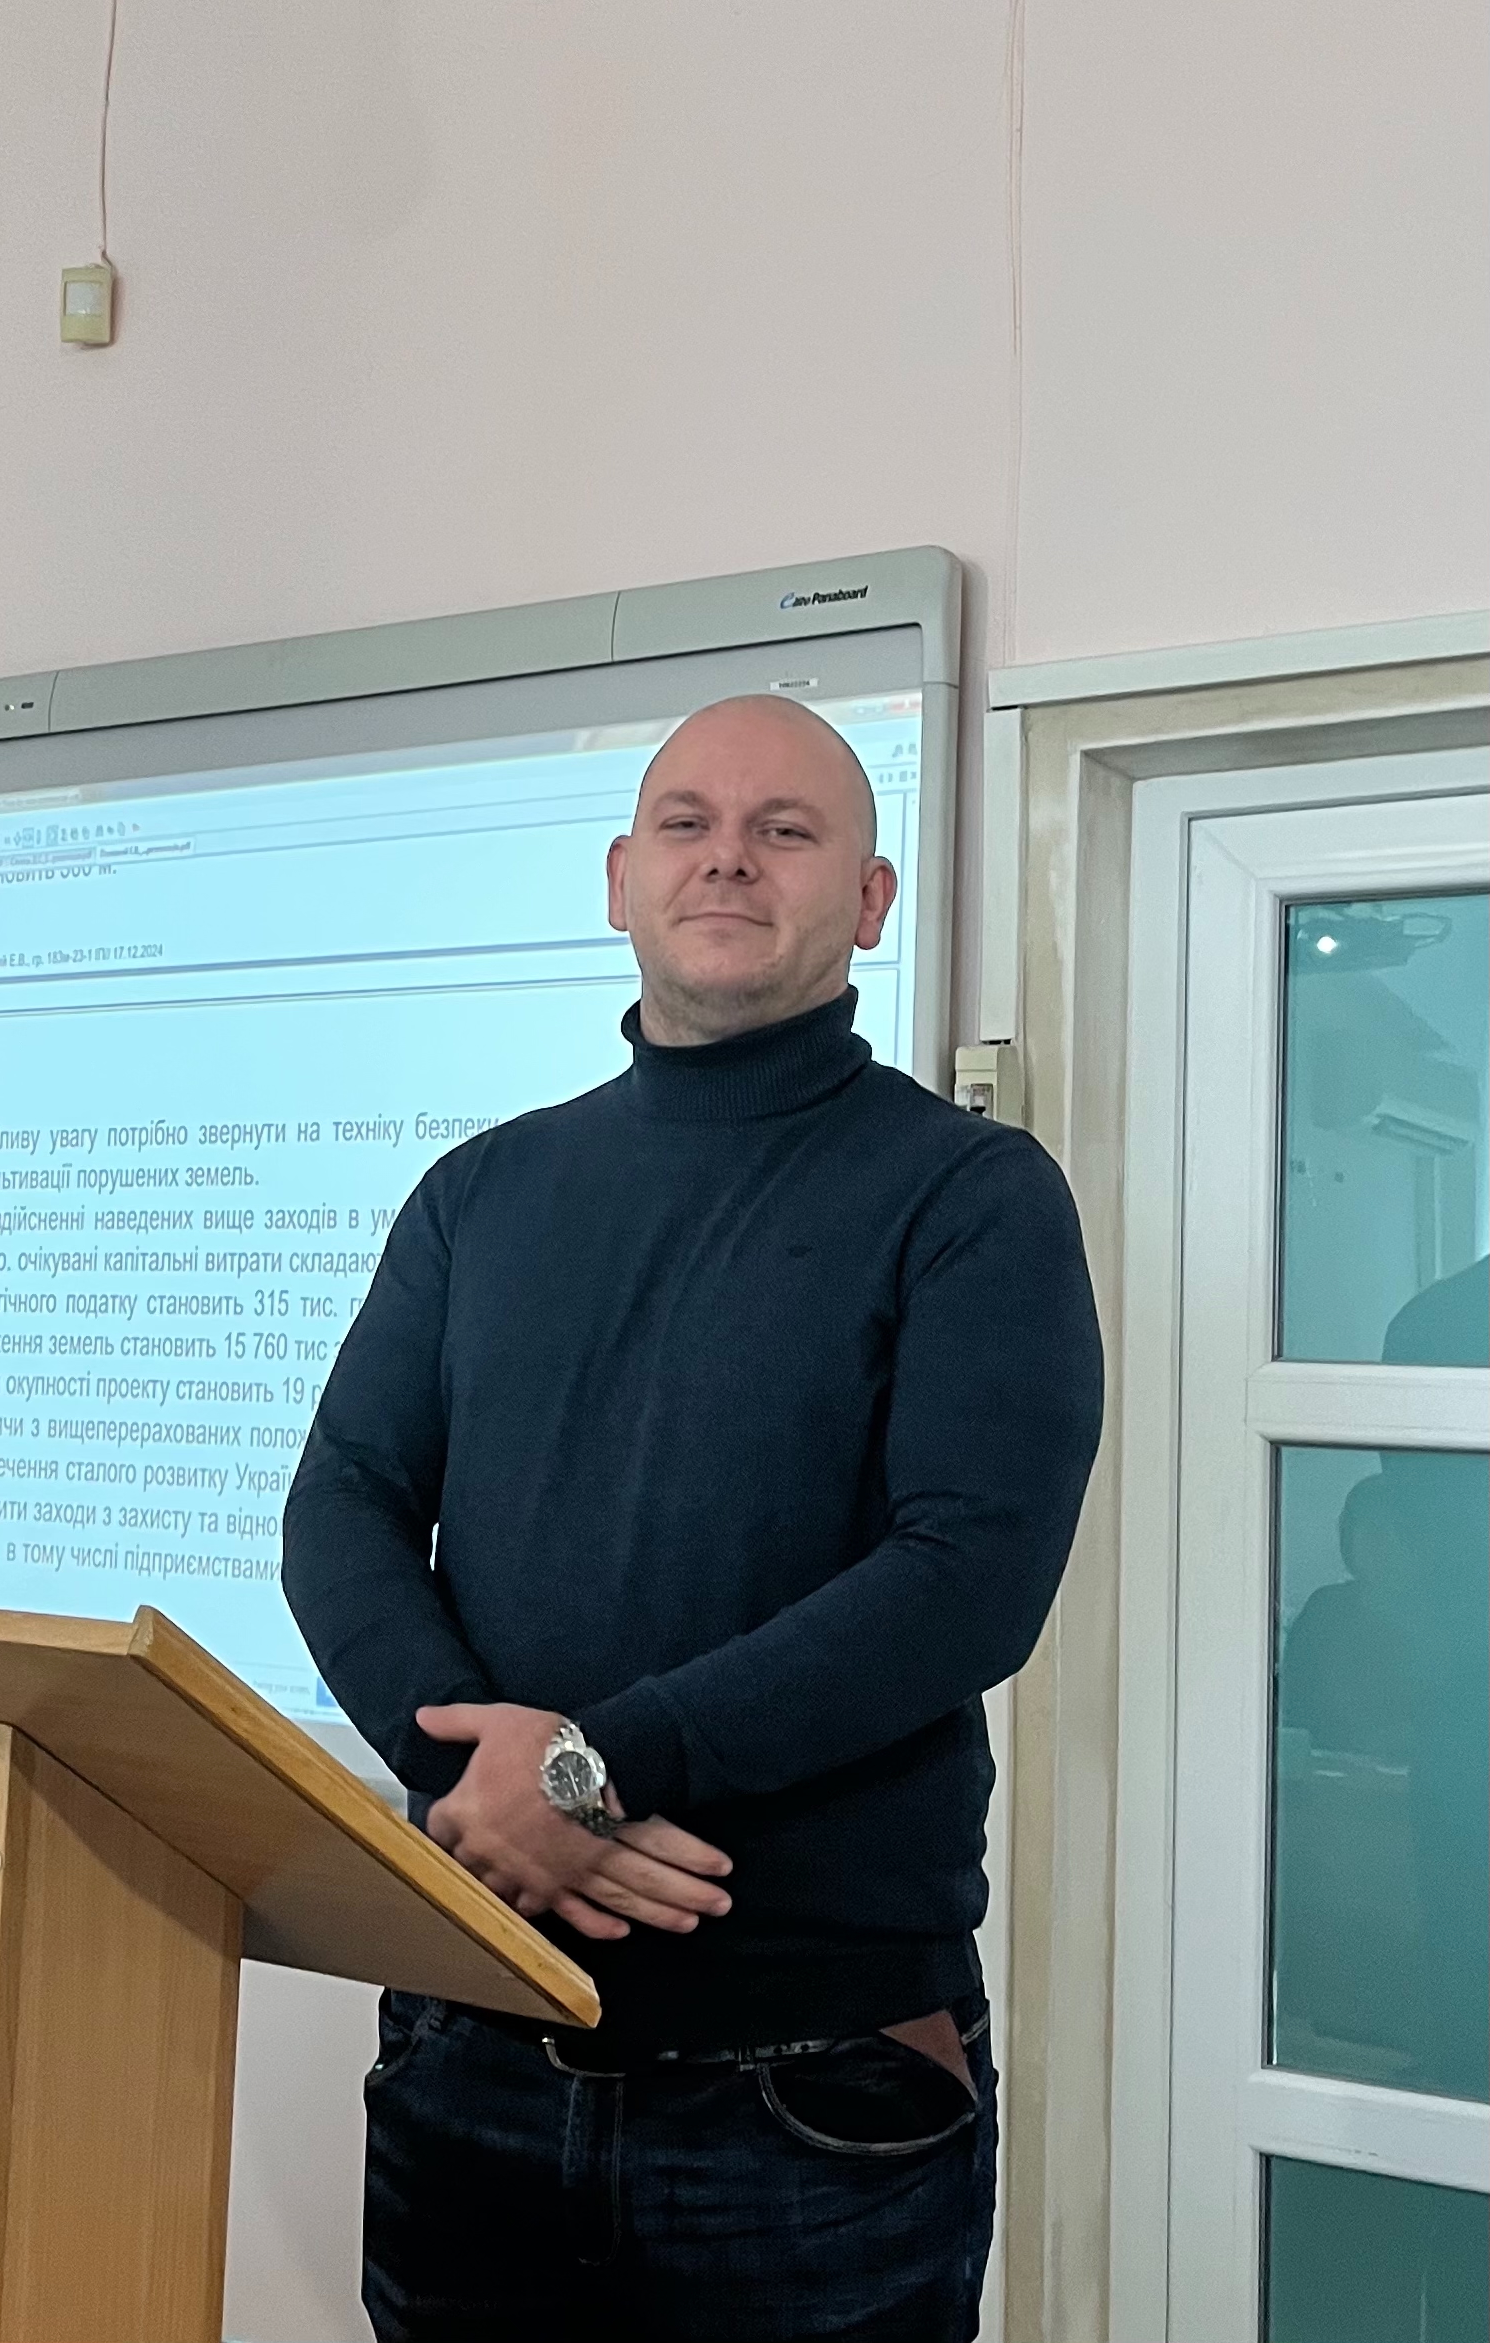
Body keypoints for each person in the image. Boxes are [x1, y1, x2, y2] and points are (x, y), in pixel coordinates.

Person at [283, 693, 1103, 2342]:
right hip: (472, 2047)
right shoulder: (480, 1191)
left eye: (785, 829)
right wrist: (473, 1772)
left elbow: (968, 1577)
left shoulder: (971, 1194)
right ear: (620, 879)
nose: (728, 857)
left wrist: (589, 1770)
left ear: (868, 899)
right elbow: (344, 1502)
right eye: (687, 823)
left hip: (810, 2098)